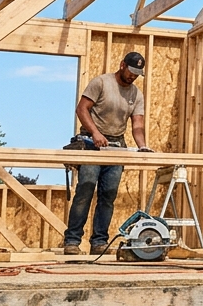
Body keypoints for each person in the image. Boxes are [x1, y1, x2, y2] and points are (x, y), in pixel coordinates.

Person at [63, 51, 153, 255]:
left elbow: (137, 124)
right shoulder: (101, 83)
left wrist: (142, 146)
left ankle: (99, 242)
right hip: (91, 143)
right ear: (122, 65)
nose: (133, 76)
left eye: (137, 73)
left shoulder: (136, 94)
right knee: (85, 191)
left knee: (108, 195)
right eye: (131, 71)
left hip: (116, 146)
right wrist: (95, 133)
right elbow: (82, 109)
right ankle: (72, 241)